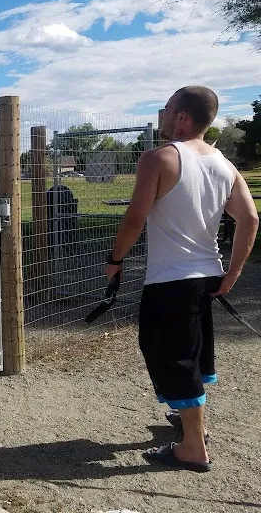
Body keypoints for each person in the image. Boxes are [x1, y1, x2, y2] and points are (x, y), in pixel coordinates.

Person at [105, 85, 258, 472]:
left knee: (174, 358)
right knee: (190, 353)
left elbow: (135, 218)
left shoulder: (159, 158)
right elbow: (250, 219)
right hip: (206, 276)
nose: (164, 115)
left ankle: (193, 447)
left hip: (172, 281)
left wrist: (115, 258)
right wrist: (233, 271)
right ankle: (189, 420)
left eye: (168, 108)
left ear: (182, 117)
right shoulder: (224, 163)